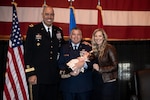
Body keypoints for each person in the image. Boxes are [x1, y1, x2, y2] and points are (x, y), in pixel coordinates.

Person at [24, 6, 65, 100]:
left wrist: (82, 43)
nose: (49, 16)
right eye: (47, 14)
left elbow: (63, 49)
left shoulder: (58, 31)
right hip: (38, 77)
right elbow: (28, 53)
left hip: (54, 77)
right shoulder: (33, 30)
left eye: (51, 14)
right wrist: (31, 74)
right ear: (42, 15)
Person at [58, 27, 93, 100]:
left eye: (78, 34)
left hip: (84, 86)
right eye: (74, 34)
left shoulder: (88, 48)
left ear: (81, 36)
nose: (76, 37)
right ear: (70, 36)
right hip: (68, 86)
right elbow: (60, 64)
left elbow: (92, 63)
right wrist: (69, 72)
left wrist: (83, 64)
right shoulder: (64, 48)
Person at [91, 28, 118, 100]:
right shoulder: (95, 50)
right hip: (97, 81)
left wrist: (100, 69)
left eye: (100, 36)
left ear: (104, 37)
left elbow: (115, 66)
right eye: (96, 36)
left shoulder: (109, 48)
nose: (97, 38)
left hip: (107, 81)